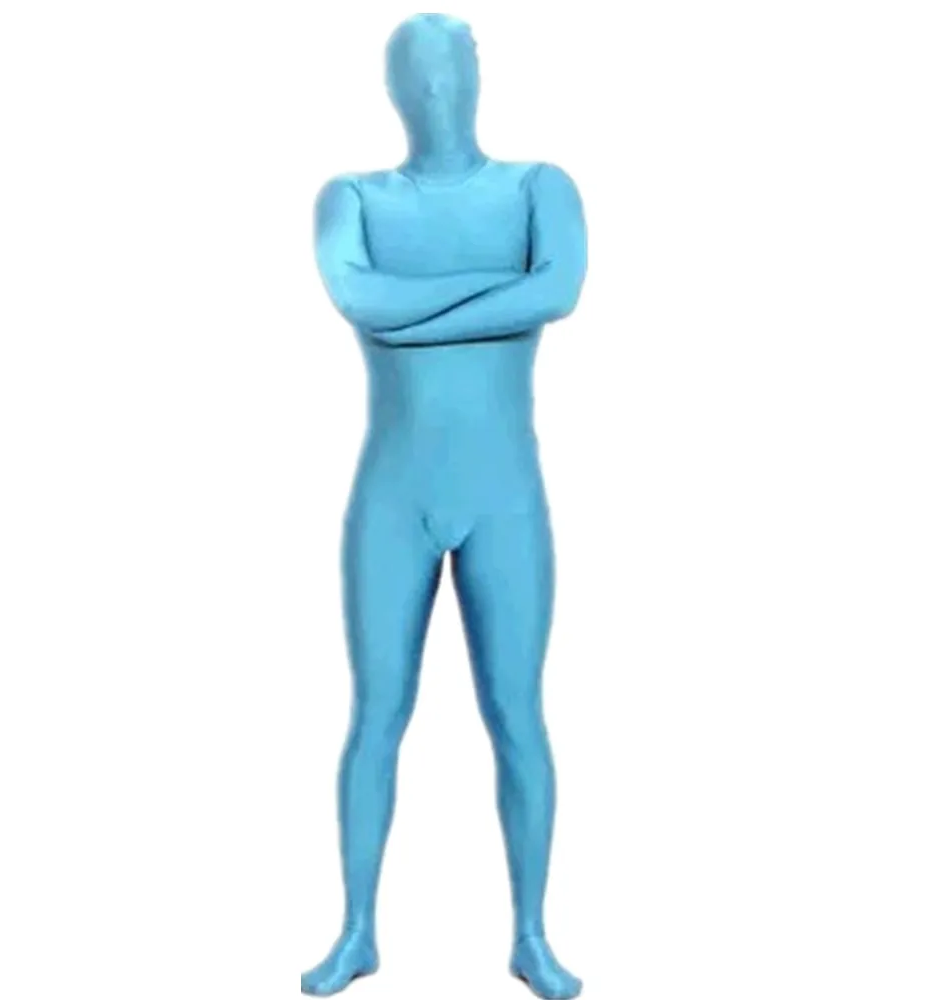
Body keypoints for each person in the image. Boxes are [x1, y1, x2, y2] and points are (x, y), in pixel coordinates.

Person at [302, 14, 588, 999]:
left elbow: (561, 288)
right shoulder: (351, 197)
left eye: (449, 62)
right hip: (393, 498)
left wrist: (412, 305)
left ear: (478, 72)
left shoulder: (539, 187)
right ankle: (356, 930)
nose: (433, 83)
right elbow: (356, 298)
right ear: (390, 86)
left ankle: (531, 934)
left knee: (517, 713)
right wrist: (501, 288)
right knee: (376, 711)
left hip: (503, 497)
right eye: (413, 67)